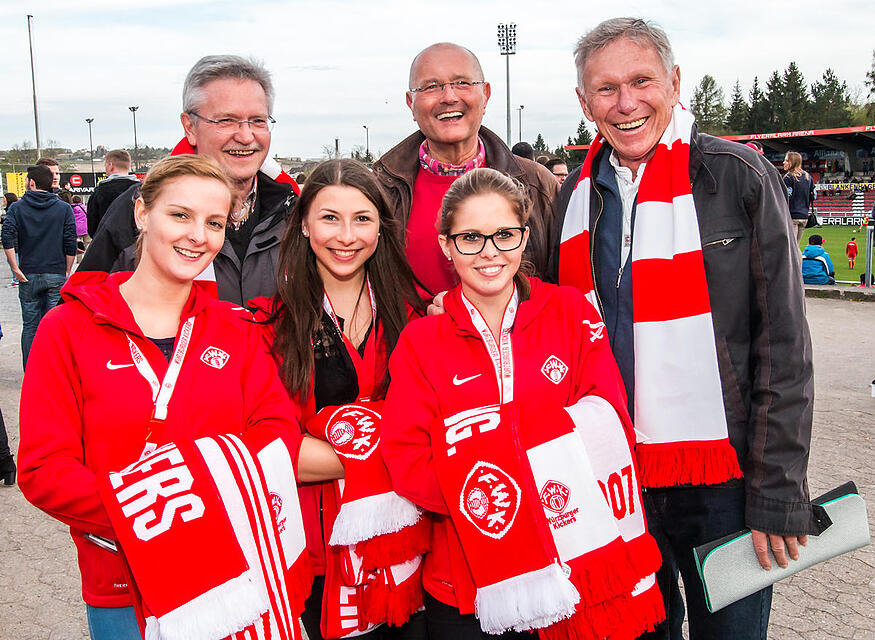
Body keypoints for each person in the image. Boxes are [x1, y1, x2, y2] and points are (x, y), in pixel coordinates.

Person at [553, 18, 820, 640]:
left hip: (722, 480)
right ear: (583, 101)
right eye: (606, 88)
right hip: (614, 482)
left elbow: (783, 345)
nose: (626, 104)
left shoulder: (736, 176)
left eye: (641, 81)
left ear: (674, 82)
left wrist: (778, 489)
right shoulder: (573, 196)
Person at [17, 155, 336, 640]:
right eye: (179, 215)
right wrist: (161, 518)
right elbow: (44, 471)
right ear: (142, 214)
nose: (197, 236)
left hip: (234, 573)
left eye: (213, 223)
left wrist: (214, 498)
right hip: (126, 583)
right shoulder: (68, 329)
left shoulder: (237, 330)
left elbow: (274, 432)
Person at [382, 168, 663, 640]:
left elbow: (609, 421)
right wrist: (494, 500)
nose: (489, 252)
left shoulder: (570, 313)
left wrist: (512, 466)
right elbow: (407, 458)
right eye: (470, 237)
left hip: (573, 555)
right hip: (465, 578)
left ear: (525, 238)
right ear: (446, 245)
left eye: (504, 234)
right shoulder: (419, 341)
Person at [253, 159, 428, 640]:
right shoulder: (267, 325)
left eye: (362, 218)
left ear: (381, 228)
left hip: (411, 538)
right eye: (329, 217)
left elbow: (438, 428)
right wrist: (393, 454)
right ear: (304, 225)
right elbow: (272, 451)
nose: (346, 235)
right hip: (314, 540)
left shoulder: (418, 316)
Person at [80, 55, 298, 306]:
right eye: (227, 120)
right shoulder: (144, 208)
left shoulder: (293, 210)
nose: (246, 136)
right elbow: (83, 314)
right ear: (190, 127)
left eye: (257, 121)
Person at [372, 42, 558, 293]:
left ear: (486, 95)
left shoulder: (537, 184)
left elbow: (560, 288)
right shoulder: (379, 191)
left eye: (462, 83)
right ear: (410, 103)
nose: (449, 97)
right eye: (431, 86)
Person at [2, 164, 76, 369]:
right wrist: (67, 269)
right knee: (55, 327)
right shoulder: (63, 208)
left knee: (30, 326)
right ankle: (54, 371)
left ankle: (32, 371)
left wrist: (15, 267)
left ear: (32, 182)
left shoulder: (17, 208)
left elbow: (7, 236)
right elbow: (70, 241)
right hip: (56, 271)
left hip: (29, 273)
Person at [86, 149, 139, 237]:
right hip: (138, 245)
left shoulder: (99, 192)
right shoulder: (142, 190)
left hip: (107, 246)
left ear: (110, 166)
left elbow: (92, 228)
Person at [783, 151, 816, 245]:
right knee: (796, 246)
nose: (783, 162)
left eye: (786, 160)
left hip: (792, 216)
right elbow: (814, 196)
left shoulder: (788, 178)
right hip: (804, 216)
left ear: (791, 162)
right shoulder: (808, 177)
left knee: (790, 247)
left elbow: (786, 197)